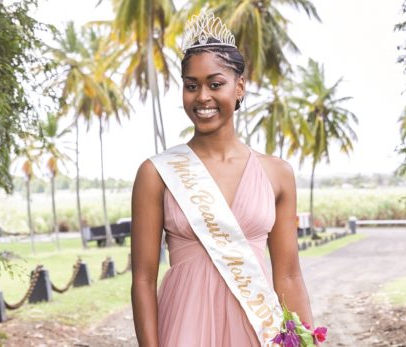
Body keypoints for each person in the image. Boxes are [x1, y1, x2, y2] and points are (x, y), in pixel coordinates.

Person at [131, 11, 314, 347]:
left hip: (256, 329)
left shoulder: (277, 174)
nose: (202, 97)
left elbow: (288, 274)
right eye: (191, 86)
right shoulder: (156, 173)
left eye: (215, 84)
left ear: (239, 87)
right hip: (183, 327)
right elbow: (143, 279)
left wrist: (305, 342)